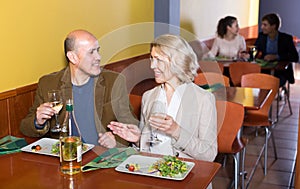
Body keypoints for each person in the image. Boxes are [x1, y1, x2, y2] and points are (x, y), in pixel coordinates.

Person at [108, 34, 218, 162]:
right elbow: (148, 148)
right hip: (151, 171)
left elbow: (209, 154)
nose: (152, 66)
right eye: (152, 59)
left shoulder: (203, 99)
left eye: (158, 60)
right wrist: (139, 139)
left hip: (187, 175)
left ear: (178, 61)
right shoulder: (148, 96)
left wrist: (177, 132)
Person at [20, 29, 138, 148]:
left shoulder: (114, 81)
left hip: (102, 157)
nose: (98, 57)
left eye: (98, 50)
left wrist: (116, 141)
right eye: (91, 52)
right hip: (66, 157)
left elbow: (132, 125)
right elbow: (25, 127)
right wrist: (38, 121)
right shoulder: (48, 84)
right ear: (73, 57)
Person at [255, 13, 299, 87]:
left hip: (281, 72)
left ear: (273, 26)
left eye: (265, 25)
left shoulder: (286, 38)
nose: (262, 27)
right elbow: (255, 51)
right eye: (262, 24)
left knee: (273, 83)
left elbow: (295, 57)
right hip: (264, 70)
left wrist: (276, 57)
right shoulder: (261, 37)